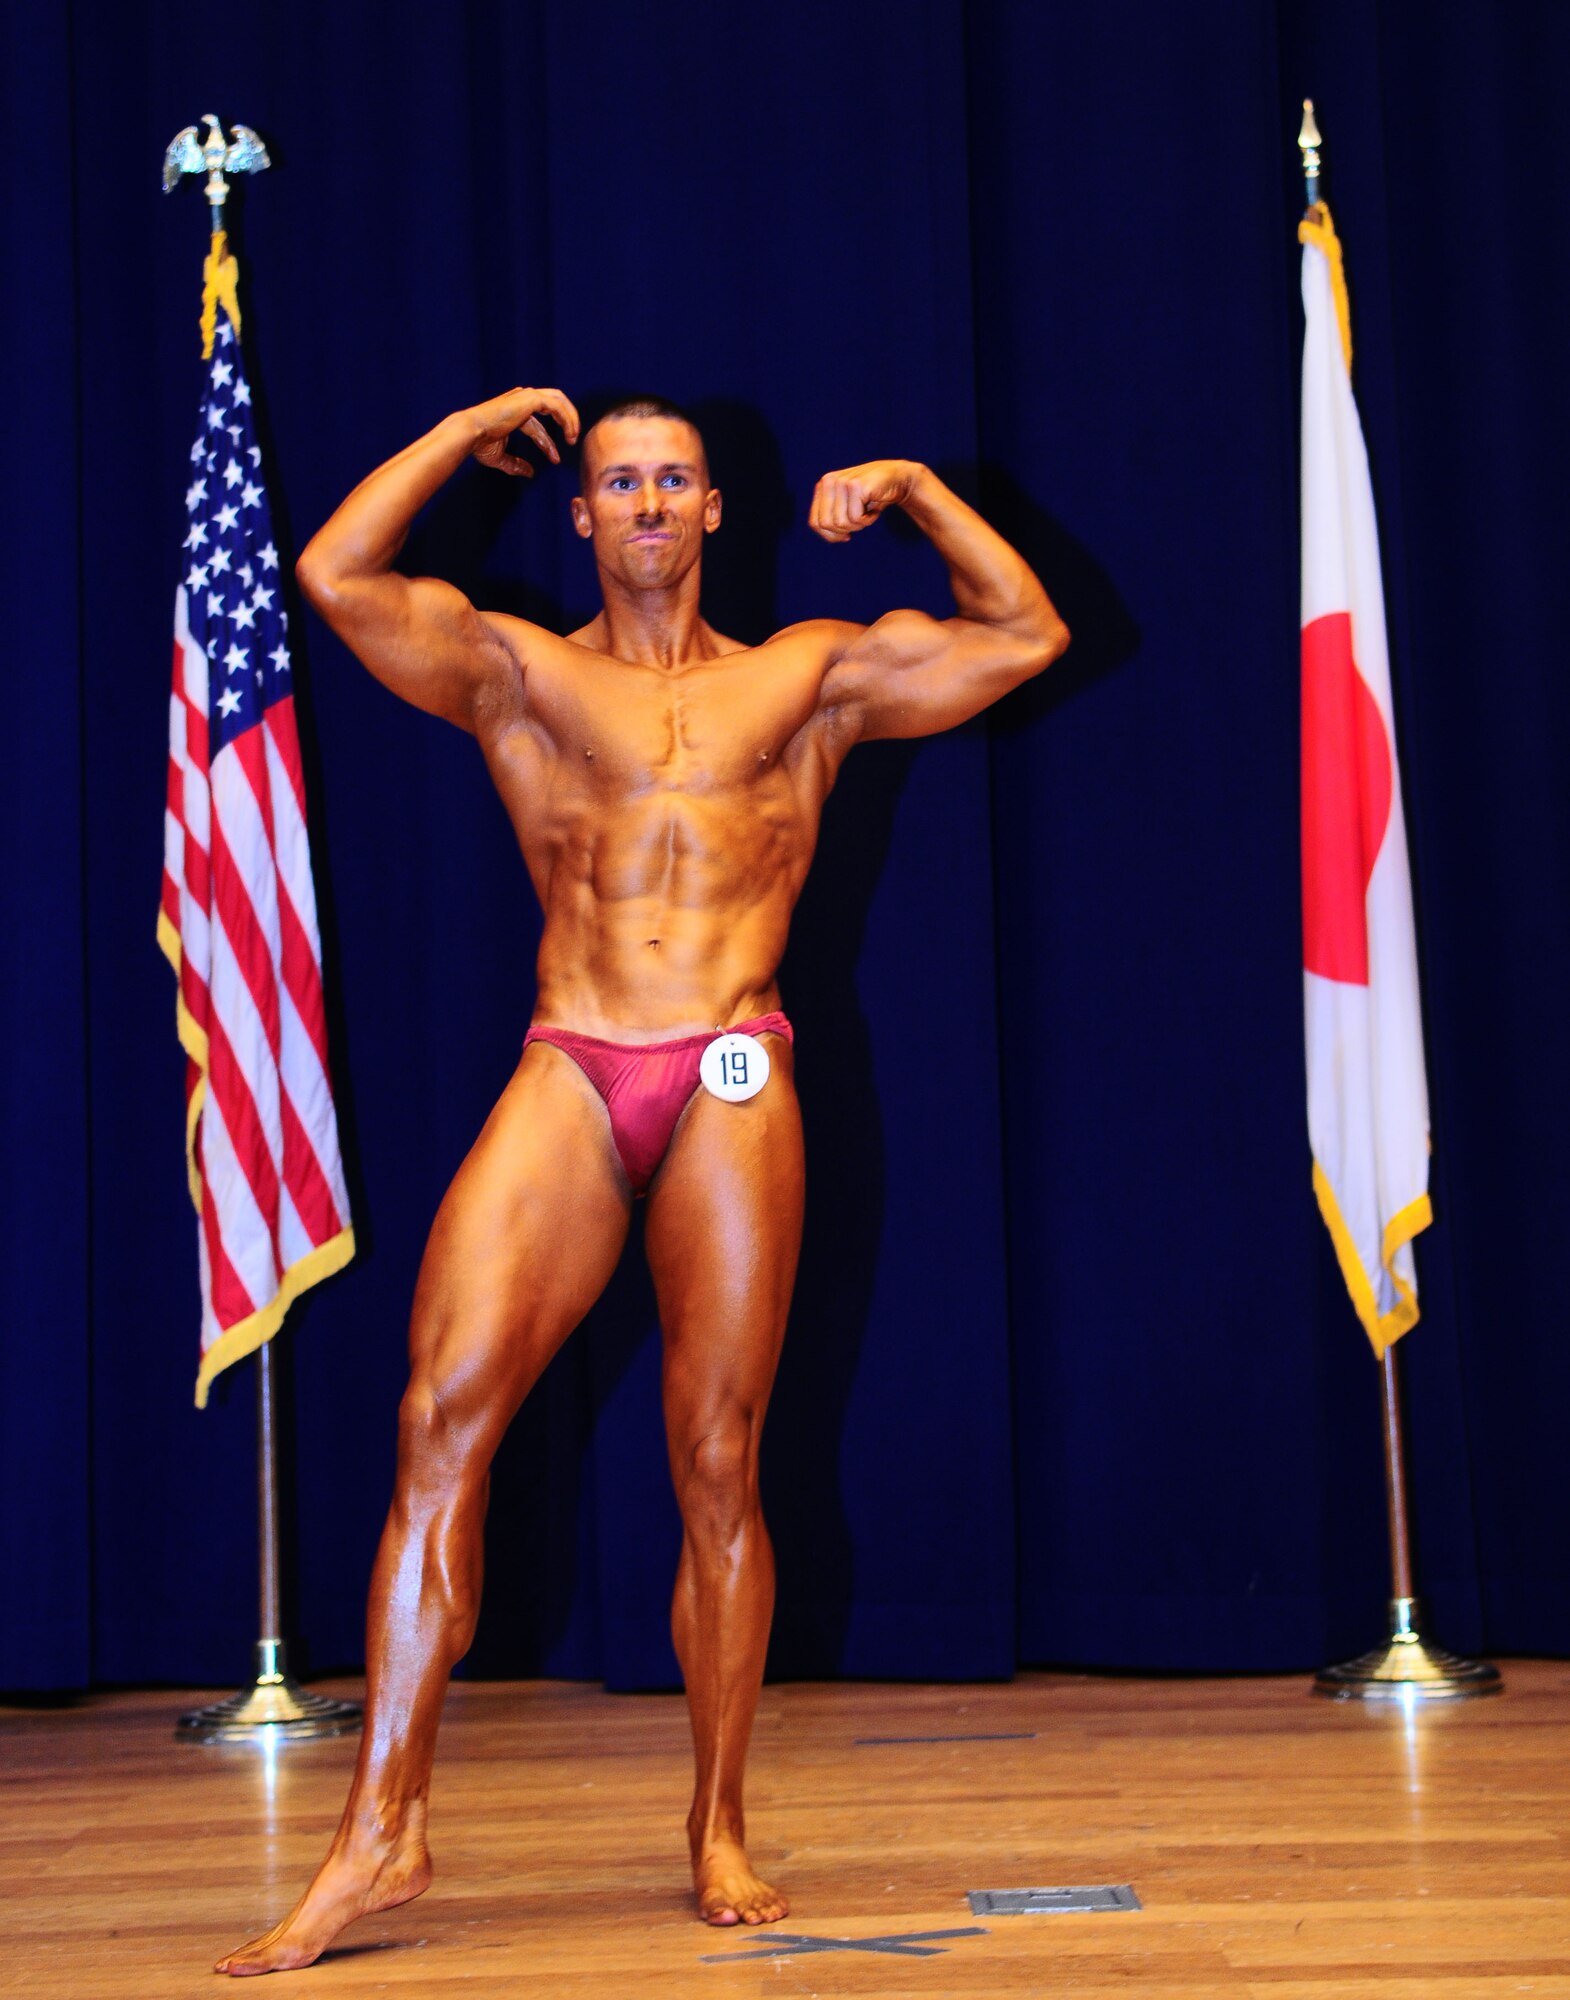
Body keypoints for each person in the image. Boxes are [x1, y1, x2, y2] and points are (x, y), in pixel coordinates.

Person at [216, 386, 1068, 1976]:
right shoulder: (521, 674)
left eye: (676, 478)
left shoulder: (803, 680)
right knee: (436, 1417)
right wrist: (458, 429)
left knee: (718, 1459)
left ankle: (717, 1820)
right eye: (623, 481)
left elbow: (1020, 634)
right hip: (574, 1056)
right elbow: (334, 576)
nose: (655, 502)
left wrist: (917, 492)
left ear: (712, 509)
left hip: (734, 1066)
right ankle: (375, 1830)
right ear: (584, 516)